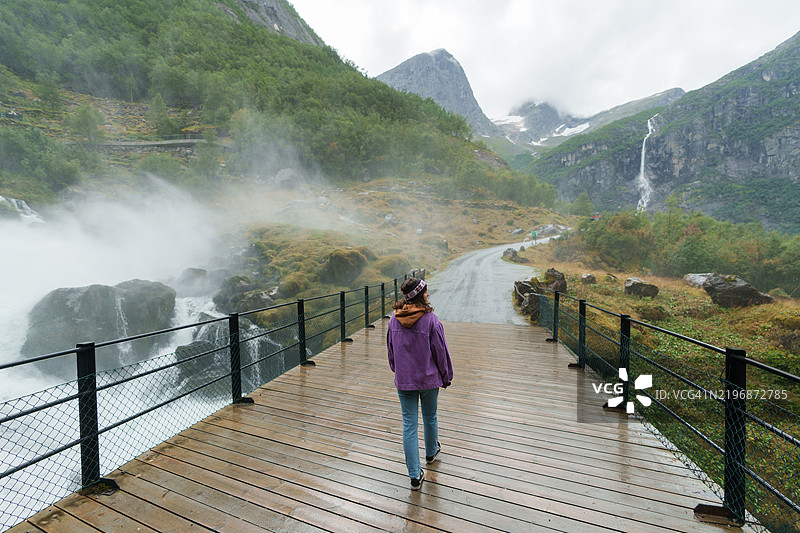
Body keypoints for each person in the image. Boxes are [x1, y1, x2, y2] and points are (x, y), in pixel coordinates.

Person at [387, 277, 454, 490]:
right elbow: (440, 352)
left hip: (405, 380)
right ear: (418, 295)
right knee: (430, 416)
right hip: (428, 379)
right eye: (425, 291)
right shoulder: (431, 320)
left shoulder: (393, 319)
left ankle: (415, 476)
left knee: (409, 425)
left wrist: (397, 370)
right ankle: (431, 452)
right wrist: (446, 375)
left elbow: (391, 351)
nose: (428, 294)